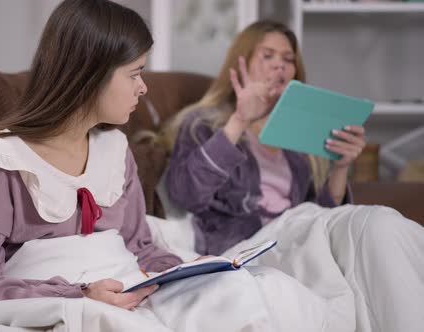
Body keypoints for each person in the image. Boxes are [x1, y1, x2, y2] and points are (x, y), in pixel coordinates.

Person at [0, 4, 338, 332]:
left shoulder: (115, 150)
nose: (143, 88)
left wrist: (189, 270)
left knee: (264, 289)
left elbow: (141, 246)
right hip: (84, 303)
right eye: (135, 74)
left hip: (133, 288)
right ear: (89, 75)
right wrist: (79, 293)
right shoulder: (3, 163)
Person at [161, 20, 424, 332]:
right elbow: (186, 194)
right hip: (248, 246)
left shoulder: (299, 134)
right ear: (241, 61)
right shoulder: (203, 124)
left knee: (383, 226)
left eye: (288, 59)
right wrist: (239, 120)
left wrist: (341, 166)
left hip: (299, 236)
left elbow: (323, 219)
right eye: (268, 55)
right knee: (377, 225)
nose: (280, 66)